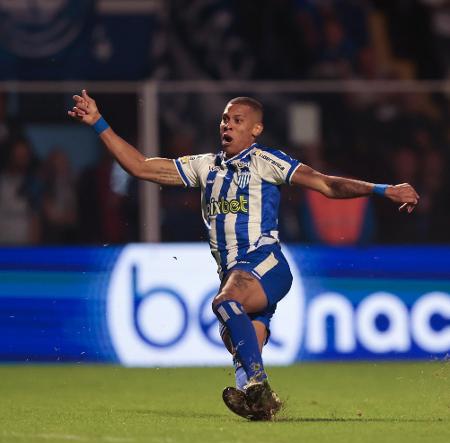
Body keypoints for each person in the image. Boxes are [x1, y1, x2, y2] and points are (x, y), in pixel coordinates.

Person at [68, 90, 419, 420]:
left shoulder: (267, 162)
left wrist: (382, 189)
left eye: (237, 120)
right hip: (235, 270)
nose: (227, 125)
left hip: (266, 263)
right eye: (224, 119)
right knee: (236, 337)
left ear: (256, 129)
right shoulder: (204, 167)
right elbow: (141, 167)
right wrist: (99, 122)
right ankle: (258, 401)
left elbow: (326, 184)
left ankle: (254, 383)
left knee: (225, 301)